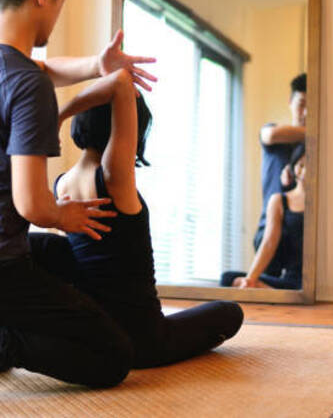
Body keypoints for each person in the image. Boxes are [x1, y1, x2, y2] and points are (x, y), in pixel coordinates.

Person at [0, 0, 156, 387]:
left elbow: (44, 70)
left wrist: (99, 63)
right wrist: (64, 216)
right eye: (61, 2)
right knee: (113, 354)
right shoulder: (25, 85)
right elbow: (32, 205)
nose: (57, 15)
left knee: (61, 259)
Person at [54, 67, 244, 368]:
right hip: (146, 339)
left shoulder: (61, 185)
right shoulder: (113, 178)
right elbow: (121, 84)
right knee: (230, 312)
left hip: (99, 332)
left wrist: (63, 115)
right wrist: (61, 113)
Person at [221, 144, 305, 289]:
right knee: (228, 279)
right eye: (301, 165)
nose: (305, 171)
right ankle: (270, 292)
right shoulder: (279, 200)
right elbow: (269, 242)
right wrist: (249, 280)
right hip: (288, 280)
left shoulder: (322, 202)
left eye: (310, 165)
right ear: (293, 168)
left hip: (307, 284)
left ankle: (273, 294)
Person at [251, 74, 306, 277]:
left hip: (298, 234)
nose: (306, 112)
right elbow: (271, 135)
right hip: (267, 228)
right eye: (302, 104)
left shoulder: (312, 149)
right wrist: (316, 130)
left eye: (312, 106)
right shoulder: (274, 132)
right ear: (291, 102)